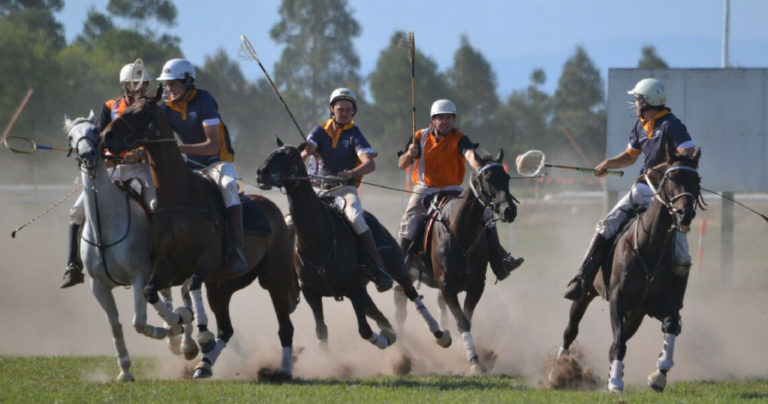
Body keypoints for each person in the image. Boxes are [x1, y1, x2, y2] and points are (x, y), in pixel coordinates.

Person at [562, 77, 695, 301]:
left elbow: (688, 152)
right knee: (604, 227)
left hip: (668, 197)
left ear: (647, 102)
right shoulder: (640, 126)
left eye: (637, 99)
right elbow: (630, 157)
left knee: (682, 255)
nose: (634, 103)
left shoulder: (672, 125)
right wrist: (608, 163)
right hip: (643, 190)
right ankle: (582, 277)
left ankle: (674, 306)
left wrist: (659, 168)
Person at [397, 99, 524, 281]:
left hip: (453, 189)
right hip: (425, 188)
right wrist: (410, 154)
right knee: (409, 220)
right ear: (433, 120)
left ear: (453, 120)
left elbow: (470, 154)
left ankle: (500, 261)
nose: (445, 121)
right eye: (440, 118)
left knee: (486, 214)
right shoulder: (419, 136)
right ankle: (400, 264)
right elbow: (402, 164)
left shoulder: (459, 138)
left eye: (449, 118)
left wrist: (478, 168)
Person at [61, 62, 155, 288]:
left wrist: (141, 152)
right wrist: (103, 156)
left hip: (141, 168)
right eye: (136, 84)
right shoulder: (110, 107)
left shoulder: (152, 107)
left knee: (155, 205)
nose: (141, 88)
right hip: (112, 169)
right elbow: (98, 141)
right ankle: (73, 266)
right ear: (124, 86)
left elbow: (157, 139)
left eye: (144, 84)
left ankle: (158, 257)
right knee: (76, 211)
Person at [155, 58, 247, 278]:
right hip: (191, 166)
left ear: (187, 81)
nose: (169, 89)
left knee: (229, 185)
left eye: (173, 84)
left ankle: (236, 249)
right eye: (166, 85)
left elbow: (212, 145)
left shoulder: (204, 100)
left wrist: (177, 149)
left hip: (217, 161)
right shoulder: (166, 108)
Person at [299, 87, 394, 292]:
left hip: (344, 190)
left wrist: (351, 172)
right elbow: (306, 150)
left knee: (356, 218)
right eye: (340, 109)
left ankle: (378, 269)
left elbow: (369, 164)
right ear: (332, 109)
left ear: (353, 112)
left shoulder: (355, 134)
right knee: (291, 220)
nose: (344, 113)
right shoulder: (319, 131)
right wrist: (305, 153)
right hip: (318, 189)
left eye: (348, 110)